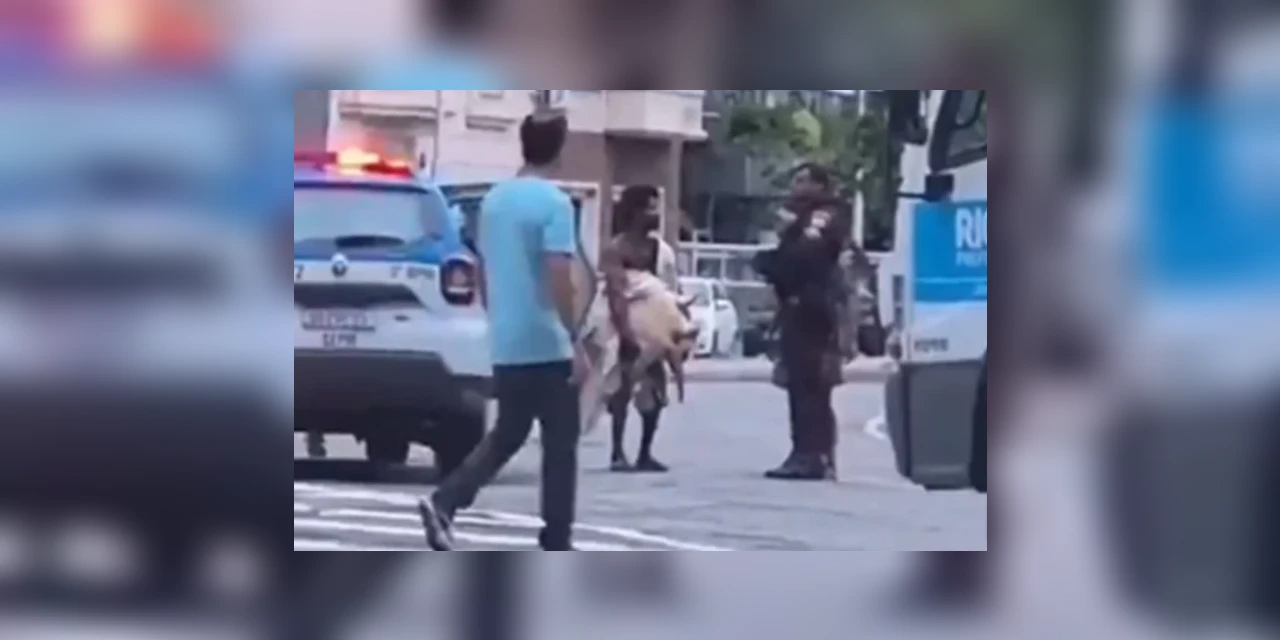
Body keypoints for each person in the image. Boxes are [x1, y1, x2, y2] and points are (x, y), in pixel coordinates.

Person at [419, 111, 587, 551]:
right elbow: (558, 275)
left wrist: (499, 319)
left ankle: (446, 500)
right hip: (549, 341)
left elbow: (483, 270)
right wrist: (575, 336)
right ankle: (556, 537)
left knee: (508, 434)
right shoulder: (555, 204)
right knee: (560, 447)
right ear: (560, 147)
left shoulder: (494, 201)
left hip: (508, 339)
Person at [752, 163, 852, 481]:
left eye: (802, 181)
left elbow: (805, 257)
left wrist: (770, 263)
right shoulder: (803, 218)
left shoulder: (823, 216)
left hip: (812, 309)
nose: (795, 188)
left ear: (820, 186)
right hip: (802, 307)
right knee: (805, 385)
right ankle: (816, 454)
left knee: (808, 384)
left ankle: (810, 455)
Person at [599, 185, 679, 472]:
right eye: (649, 208)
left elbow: (668, 291)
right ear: (633, 212)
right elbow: (616, 291)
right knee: (622, 388)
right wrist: (626, 332)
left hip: (653, 329)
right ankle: (617, 452)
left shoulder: (662, 251)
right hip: (625, 328)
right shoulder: (617, 249)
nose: (655, 214)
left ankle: (645, 451)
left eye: (656, 207)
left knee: (655, 389)